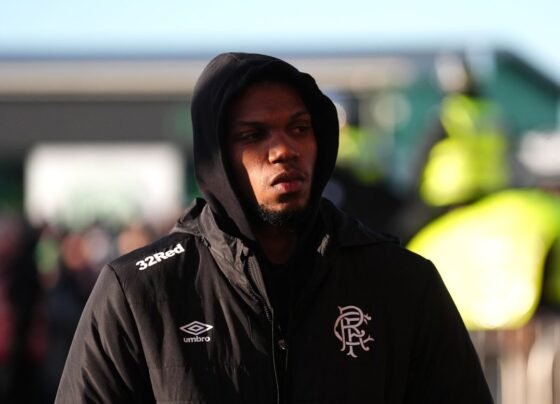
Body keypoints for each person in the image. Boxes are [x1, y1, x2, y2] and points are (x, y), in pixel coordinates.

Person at [55, 52, 493, 403]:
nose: (284, 149)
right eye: (254, 135)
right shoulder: (140, 293)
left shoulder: (402, 283)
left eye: (299, 128)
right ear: (215, 155)